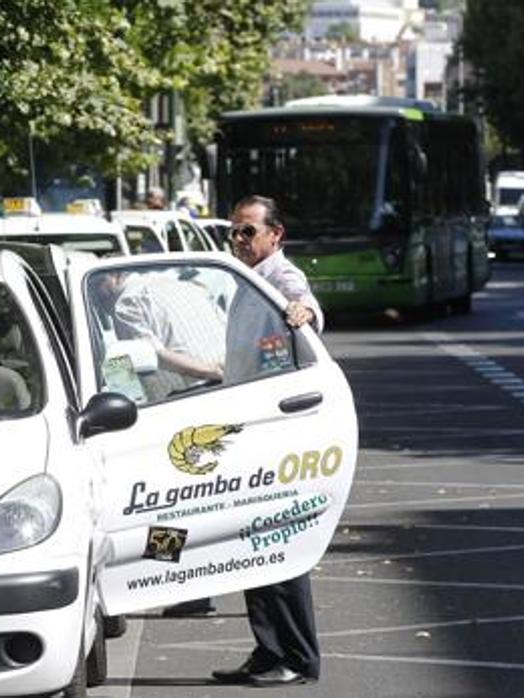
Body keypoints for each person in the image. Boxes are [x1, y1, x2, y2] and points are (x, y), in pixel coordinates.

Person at [212, 194, 323, 688]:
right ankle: (268, 649)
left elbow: (305, 307)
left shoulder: (282, 278)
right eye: (233, 231)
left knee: (278, 547)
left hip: (276, 435)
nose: (238, 240)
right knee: (252, 548)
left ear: (275, 236)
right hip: (247, 429)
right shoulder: (248, 278)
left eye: (247, 232)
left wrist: (304, 312)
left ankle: (296, 657)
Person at [93, 269, 225, 402]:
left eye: (97, 284)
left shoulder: (125, 305)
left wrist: (213, 371)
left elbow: (155, 355)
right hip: (233, 380)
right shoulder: (185, 286)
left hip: (192, 396)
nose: (96, 294)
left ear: (116, 275)